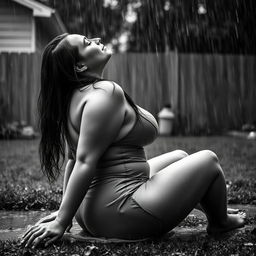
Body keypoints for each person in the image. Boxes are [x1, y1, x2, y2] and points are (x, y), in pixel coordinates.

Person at [21, 33, 245, 248]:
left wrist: (67, 214)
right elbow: (84, 161)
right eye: (87, 42)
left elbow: (73, 160)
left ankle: (214, 209)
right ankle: (220, 223)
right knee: (208, 161)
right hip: (122, 212)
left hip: (90, 211)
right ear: (80, 66)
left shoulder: (74, 98)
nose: (97, 40)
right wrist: (61, 220)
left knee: (181, 157)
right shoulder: (105, 93)